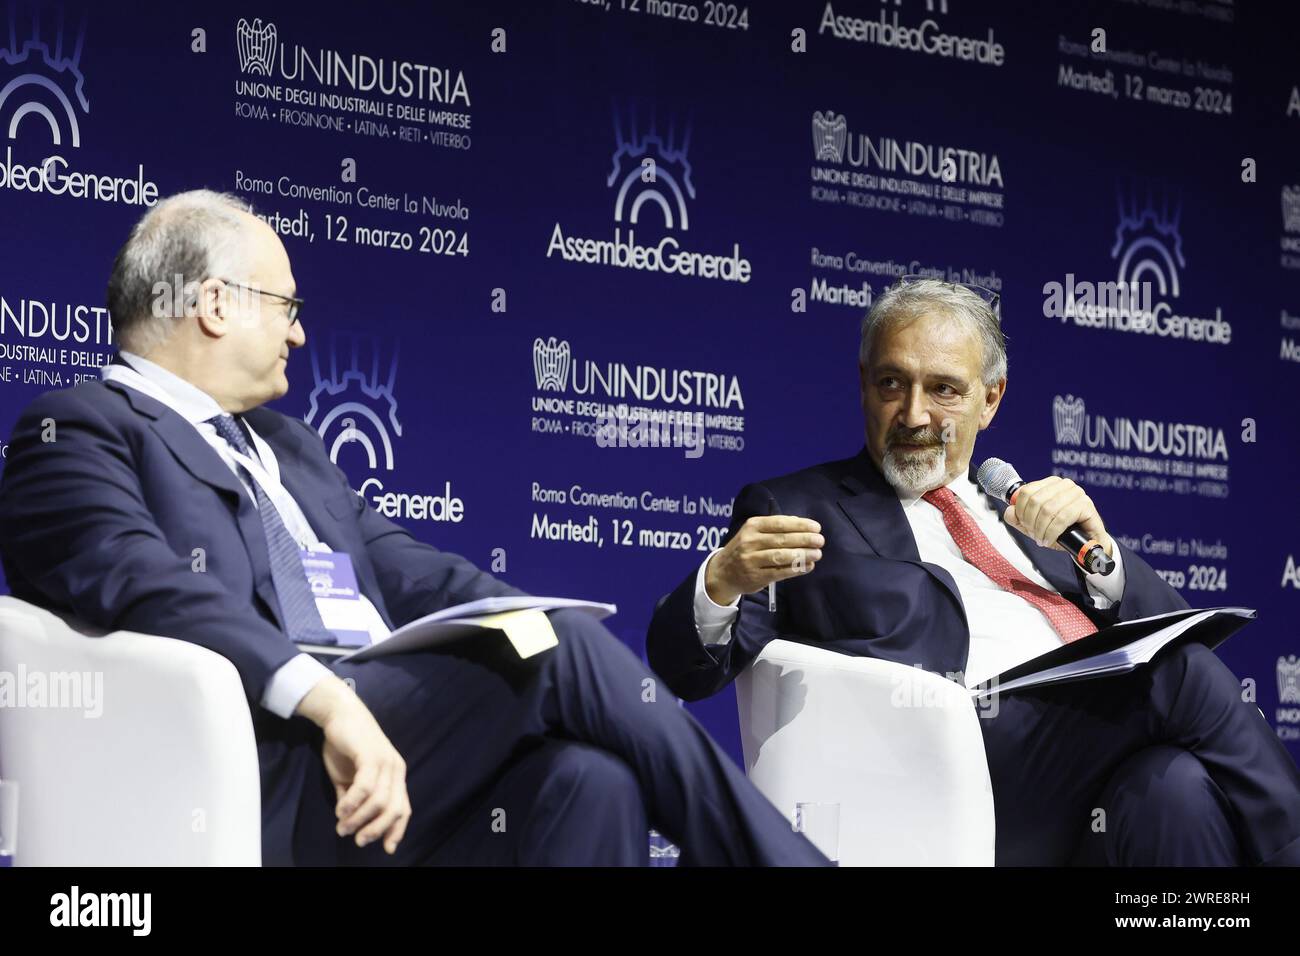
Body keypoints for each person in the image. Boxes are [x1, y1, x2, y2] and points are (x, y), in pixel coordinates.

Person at [0, 189, 826, 867]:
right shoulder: (76, 430)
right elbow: (151, 586)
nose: (299, 331)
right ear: (213, 304)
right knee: (547, 654)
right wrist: (328, 703)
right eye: (285, 305)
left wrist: (534, 608)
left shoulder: (290, 447)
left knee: (588, 775)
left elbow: (404, 565)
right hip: (257, 765)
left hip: (391, 746)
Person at [647, 276, 1300, 866]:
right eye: (891, 383)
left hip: (1075, 791)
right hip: (938, 768)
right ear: (864, 384)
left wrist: (1105, 561)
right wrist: (721, 581)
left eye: (944, 390)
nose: (914, 416)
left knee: (1173, 790)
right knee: (1180, 674)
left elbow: (1170, 625)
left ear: (991, 400)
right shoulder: (797, 506)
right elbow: (687, 669)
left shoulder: (1030, 513)